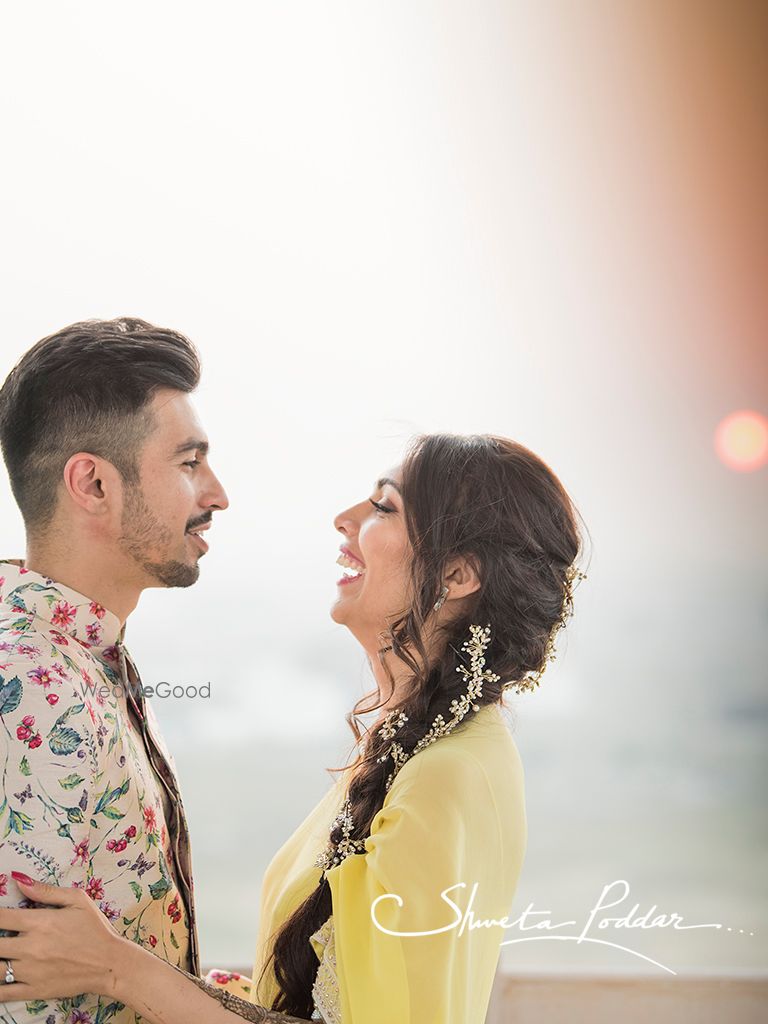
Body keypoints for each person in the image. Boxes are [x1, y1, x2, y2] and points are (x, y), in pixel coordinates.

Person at [0, 432, 587, 1024]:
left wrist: (115, 968)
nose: (345, 519)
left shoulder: (448, 776)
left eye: (384, 507)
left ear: (458, 575)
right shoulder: (413, 743)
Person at [0, 318, 229, 1023]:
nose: (217, 494)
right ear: (93, 483)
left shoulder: (85, 655)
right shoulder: (30, 685)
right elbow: (26, 997)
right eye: (189, 462)